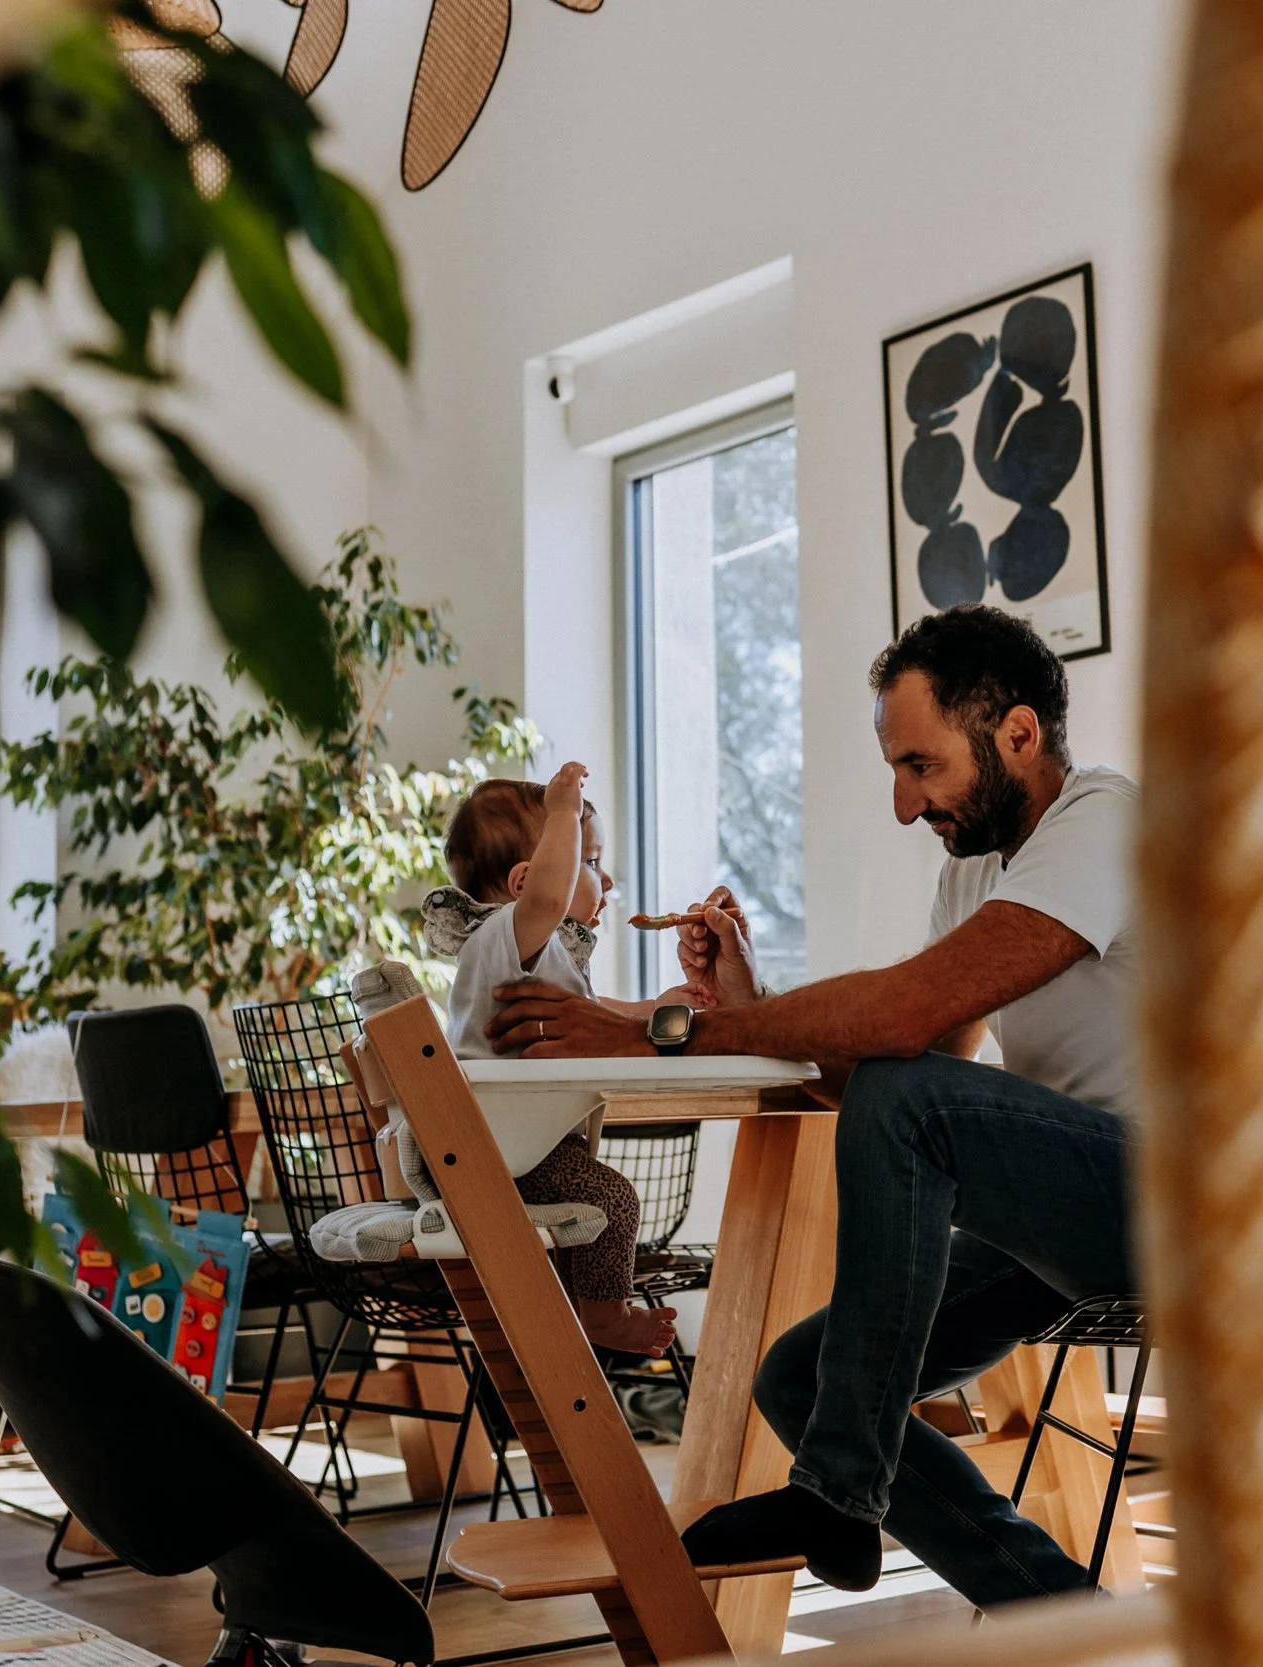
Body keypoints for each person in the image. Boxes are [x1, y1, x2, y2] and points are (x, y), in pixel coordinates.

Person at [485, 606, 1137, 1608]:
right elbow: (876, 1085)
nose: (902, 803)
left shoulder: (1105, 820)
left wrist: (653, 1031)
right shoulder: (973, 872)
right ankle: (1064, 1619)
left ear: (1017, 732)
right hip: (1074, 1217)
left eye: (920, 765)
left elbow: (908, 1026)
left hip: (1208, 1200)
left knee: (905, 1095)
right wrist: (739, 1002)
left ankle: (837, 1493)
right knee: (803, 1378)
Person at [414, 763, 678, 1357]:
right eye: (590, 860)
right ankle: (606, 1319)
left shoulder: (536, 953)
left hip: (508, 1147)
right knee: (611, 1201)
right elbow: (550, 899)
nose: (605, 881)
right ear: (525, 883)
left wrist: (659, 1008)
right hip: (486, 1152)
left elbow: (594, 1012)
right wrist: (564, 812)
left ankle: (576, 1326)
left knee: (596, 1202)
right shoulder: (507, 935)